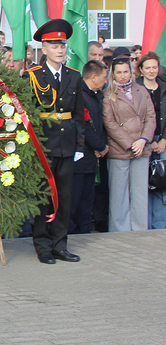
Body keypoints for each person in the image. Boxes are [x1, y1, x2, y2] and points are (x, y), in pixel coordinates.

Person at [24, 19, 84, 264]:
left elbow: (80, 114)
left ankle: (60, 244)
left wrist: (80, 145)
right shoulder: (33, 76)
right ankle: (43, 246)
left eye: (63, 45)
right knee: (43, 197)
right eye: (54, 45)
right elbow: (27, 114)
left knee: (64, 197)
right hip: (43, 145)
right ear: (44, 48)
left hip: (67, 143)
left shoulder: (74, 76)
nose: (60, 49)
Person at [103, 57, 155, 232]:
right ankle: (120, 231)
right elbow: (109, 122)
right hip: (120, 149)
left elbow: (151, 117)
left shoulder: (141, 90)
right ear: (113, 74)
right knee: (119, 194)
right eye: (119, 72)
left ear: (131, 72)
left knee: (140, 193)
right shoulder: (108, 93)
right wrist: (131, 143)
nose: (123, 75)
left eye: (126, 71)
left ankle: (140, 229)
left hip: (142, 148)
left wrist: (143, 140)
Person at [70, 60, 109, 234]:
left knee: (87, 199)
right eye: (104, 77)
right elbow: (83, 126)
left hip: (92, 158)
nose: (105, 81)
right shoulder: (80, 95)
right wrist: (100, 145)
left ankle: (84, 231)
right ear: (94, 76)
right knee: (75, 199)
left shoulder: (97, 95)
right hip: (79, 157)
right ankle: (72, 232)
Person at [136, 51, 166, 229]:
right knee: (143, 185)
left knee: (162, 183)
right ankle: (143, 225)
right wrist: (147, 140)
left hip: (162, 140)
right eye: (148, 68)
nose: (152, 71)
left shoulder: (164, 87)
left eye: (154, 67)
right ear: (141, 70)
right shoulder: (136, 89)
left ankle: (160, 224)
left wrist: (163, 140)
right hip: (142, 141)